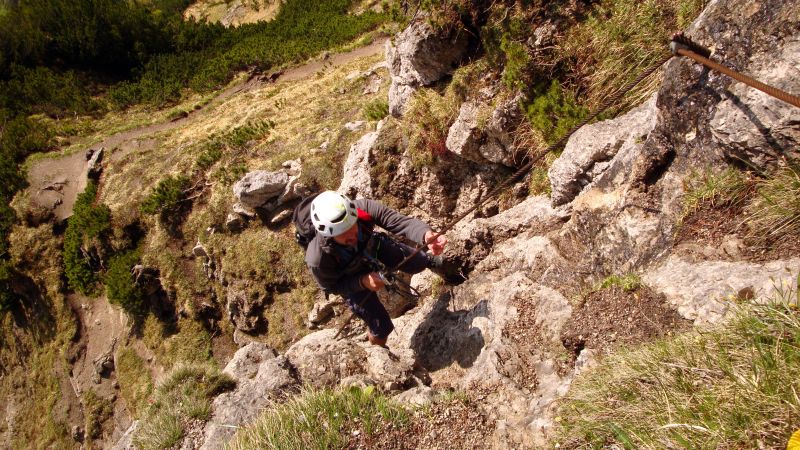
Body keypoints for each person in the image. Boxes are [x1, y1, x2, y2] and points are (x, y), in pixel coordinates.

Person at [304, 191, 447, 346]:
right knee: (382, 327)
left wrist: (425, 235)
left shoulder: (364, 208)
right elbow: (331, 287)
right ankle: (378, 353)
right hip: (349, 279)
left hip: (372, 247)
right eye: (342, 234)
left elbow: (400, 222)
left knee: (418, 261)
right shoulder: (318, 258)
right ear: (329, 235)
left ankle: (437, 265)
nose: (351, 234)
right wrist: (362, 282)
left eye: (352, 226)